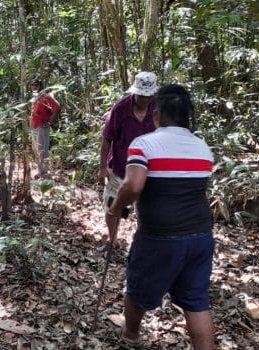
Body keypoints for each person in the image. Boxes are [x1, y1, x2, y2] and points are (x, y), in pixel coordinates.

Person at [105, 84, 215, 349]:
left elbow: (133, 185)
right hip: (201, 236)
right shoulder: (202, 148)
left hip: (160, 237)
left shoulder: (144, 144)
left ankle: (130, 335)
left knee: (138, 289)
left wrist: (115, 207)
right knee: (197, 301)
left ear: (157, 113)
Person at [99, 71, 157, 243]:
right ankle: (113, 238)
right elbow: (107, 140)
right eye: (141, 96)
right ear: (134, 92)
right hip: (119, 168)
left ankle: (142, 241)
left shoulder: (157, 109)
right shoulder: (120, 109)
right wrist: (102, 168)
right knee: (113, 205)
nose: (144, 100)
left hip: (148, 171)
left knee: (145, 211)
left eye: (148, 96)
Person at [29, 79, 61, 179]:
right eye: (32, 85)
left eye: (36, 85)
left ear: (40, 86)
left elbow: (57, 107)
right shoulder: (35, 98)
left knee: (42, 149)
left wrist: (50, 122)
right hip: (34, 126)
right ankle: (40, 171)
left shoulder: (46, 96)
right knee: (36, 150)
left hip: (42, 127)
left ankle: (44, 172)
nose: (34, 87)